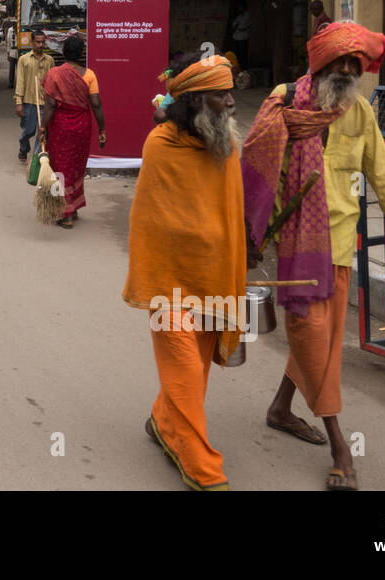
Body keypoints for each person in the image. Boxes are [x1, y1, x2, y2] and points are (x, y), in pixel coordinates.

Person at [242, 21, 385, 492]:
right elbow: (253, 170)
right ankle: (340, 446)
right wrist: (247, 234)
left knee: (319, 343)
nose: (348, 69)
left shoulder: (361, 112)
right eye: (340, 60)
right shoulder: (285, 103)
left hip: (341, 248)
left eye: (356, 62)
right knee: (312, 339)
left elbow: (382, 175)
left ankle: (281, 408)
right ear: (321, 61)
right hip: (299, 253)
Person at [123, 54, 244, 491]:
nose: (231, 102)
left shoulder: (225, 146)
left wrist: (239, 253)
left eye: (231, 92)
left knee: (198, 368)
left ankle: (162, 421)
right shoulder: (161, 144)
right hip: (167, 280)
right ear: (193, 100)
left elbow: (231, 210)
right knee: (185, 370)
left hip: (213, 276)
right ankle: (202, 467)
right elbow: (149, 221)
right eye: (219, 95)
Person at [37, 34, 105, 229]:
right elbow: (97, 104)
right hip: (82, 126)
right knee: (76, 166)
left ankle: (64, 213)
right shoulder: (89, 75)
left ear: (64, 53)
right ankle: (73, 207)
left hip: (60, 126)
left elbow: (50, 105)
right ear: (81, 54)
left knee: (60, 168)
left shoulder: (54, 74)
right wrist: (103, 129)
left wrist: (42, 128)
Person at [14, 29, 54, 163]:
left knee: (42, 133)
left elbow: (52, 82)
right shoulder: (23, 60)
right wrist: (18, 103)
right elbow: (20, 81)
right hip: (28, 102)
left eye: (43, 42)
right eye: (38, 42)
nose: (40, 45)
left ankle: (36, 160)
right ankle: (23, 148)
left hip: (45, 103)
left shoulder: (50, 60)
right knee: (28, 131)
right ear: (32, 42)